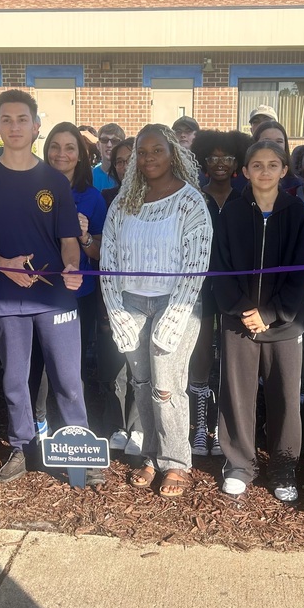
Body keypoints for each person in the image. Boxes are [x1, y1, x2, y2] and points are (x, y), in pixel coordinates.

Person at [0, 90, 98, 486]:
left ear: (36, 126)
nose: (15, 126)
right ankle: (21, 448)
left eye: (23, 119)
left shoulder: (54, 180)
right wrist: (2, 264)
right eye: (7, 119)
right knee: (15, 380)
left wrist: (72, 267)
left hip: (55, 297)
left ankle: (80, 451)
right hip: (9, 298)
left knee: (68, 380)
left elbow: (69, 238)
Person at [101, 124, 212, 498]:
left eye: (157, 151)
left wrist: (176, 314)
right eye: (142, 153)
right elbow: (109, 257)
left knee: (166, 387)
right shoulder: (124, 200)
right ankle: (151, 455)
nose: (149, 159)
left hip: (176, 302)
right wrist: (115, 308)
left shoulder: (190, 201)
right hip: (131, 301)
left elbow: (196, 263)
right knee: (142, 384)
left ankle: (177, 462)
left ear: (173, 154)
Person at [213, 140, 304, 501]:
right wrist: (244, 310)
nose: (265, 171)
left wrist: (270, 314)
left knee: (285, 395)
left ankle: (284, 467)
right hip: (238, 320)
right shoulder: (231, 214)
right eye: (257, 165)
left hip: (284, 322)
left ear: (285, 171)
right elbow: (220, 269)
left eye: (273, 165)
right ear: (245, 171)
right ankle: (239, 464)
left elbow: (302, 274)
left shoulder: (298, 213)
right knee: (237, 394)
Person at [35, 122, 106, 433]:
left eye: (69, 148)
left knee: (69, 366)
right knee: (37, 364)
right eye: (54, 146)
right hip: (36, 289)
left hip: (79, 294)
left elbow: (100, 254)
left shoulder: (93, 197)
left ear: (81, 155)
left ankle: (72, 429)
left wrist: (84, 235)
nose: (60, 154)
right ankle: (38, 423)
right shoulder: (30, 188)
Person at [187, 128, 252, 456]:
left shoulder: (247, 197)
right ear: (203, 161)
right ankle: (200, 426)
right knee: (199, 354)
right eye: (212, 158)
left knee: (231, 357)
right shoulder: (194, 197)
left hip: (237, 289)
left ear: (237, 161)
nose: (220, 163)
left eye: (227, 157)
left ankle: (222, 427)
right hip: (200, 287)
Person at [97, 138, 141, 451]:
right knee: (114, 365)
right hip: (113, 291)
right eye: (120, 162)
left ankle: (138, 428)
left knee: (140, 366)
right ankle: (115, 425)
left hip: (146, 294)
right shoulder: (107, 197)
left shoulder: (157, 198)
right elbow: (102, 251)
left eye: (131, 160)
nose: (126, 167)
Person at [253, 120, 301, 192]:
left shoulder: (296, 185)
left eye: (279, 141)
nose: (273, 145)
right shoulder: (240, 183)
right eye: (267, 141)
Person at [91, 123, 125, 193]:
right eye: (104, 140)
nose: (109, 145)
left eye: (115, 141)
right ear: (98, 145)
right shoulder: (89, 176)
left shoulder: (129, 176)